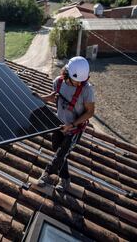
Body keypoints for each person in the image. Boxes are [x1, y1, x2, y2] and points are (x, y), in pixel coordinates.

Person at [37, 56, 95, 192]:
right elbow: (54, 97)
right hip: (59, 125)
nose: (79, 84)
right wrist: (39, 98)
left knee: (61, 155)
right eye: (77, 81)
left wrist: (73, 124)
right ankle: (66, 179)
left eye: (83, 81)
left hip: (74, 129)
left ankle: (46, 174)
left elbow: (90, 112)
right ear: (67, 73)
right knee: (57, 151)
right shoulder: (58, 82)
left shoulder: (87, 90)